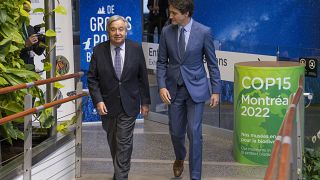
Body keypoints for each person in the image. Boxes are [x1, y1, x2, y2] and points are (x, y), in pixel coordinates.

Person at [156, 0, 221, 179]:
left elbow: (213, 64)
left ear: (186, 13)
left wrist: (216, 90)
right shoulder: (166, 31)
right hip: (173, 90)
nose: (170, 16)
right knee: (176, 132)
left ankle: (195, 175)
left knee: (194, 132)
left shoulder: (204, 32)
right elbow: (161, 62)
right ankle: (179, 157)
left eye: (174, 13)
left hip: (196, 89)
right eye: (170, 12)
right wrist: (161, 86)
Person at [87, 15, 151, 180]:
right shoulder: (98, 50)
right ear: (108, 31)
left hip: (129, 103)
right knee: (113, 141)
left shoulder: (136, 48)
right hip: (107, 105)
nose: (117, 33)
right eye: (113, 29)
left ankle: (121, 176)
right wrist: (98, 100)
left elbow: (142, 77)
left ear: (126, 31)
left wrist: (145, 102)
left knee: (124, 142)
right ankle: (119, 171)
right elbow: (92, 79)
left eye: (121, 29)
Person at [20, 0, 45, 71]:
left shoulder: (29, 28)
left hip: (30, 71)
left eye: (28, 10)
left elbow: (38, 52)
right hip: (16, 72)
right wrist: (25, 44)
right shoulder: (10, 27)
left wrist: (43, 42)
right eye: (24, 4)